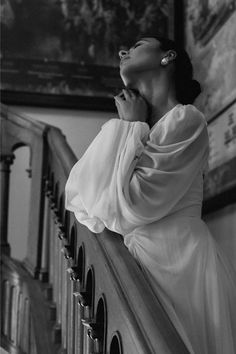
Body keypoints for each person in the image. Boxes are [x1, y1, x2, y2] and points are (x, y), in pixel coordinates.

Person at [65, 36, 236, 354]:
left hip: (179, 262)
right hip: (143, 258)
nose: (122, 52)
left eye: (138, 44)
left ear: (167, 57)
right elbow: (80, 197)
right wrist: (128, 126)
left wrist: (130, 127)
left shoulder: (185, 119)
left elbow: (131, 206)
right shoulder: (133, 128)